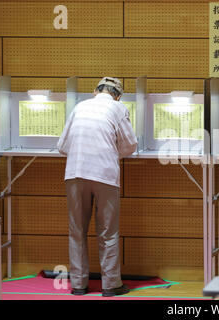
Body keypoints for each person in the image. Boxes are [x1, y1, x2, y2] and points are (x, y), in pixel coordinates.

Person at [57, 77, 137, 297]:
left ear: (95, 91)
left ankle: (78, 285)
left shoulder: (79, 106)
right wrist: (110, 152)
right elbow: (130, 145)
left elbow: (62, 145)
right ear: (118, 95)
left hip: (75, 173)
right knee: (108, 232)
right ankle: (110, 285)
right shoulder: (118, 108)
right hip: (105, 175)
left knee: (77, 231)